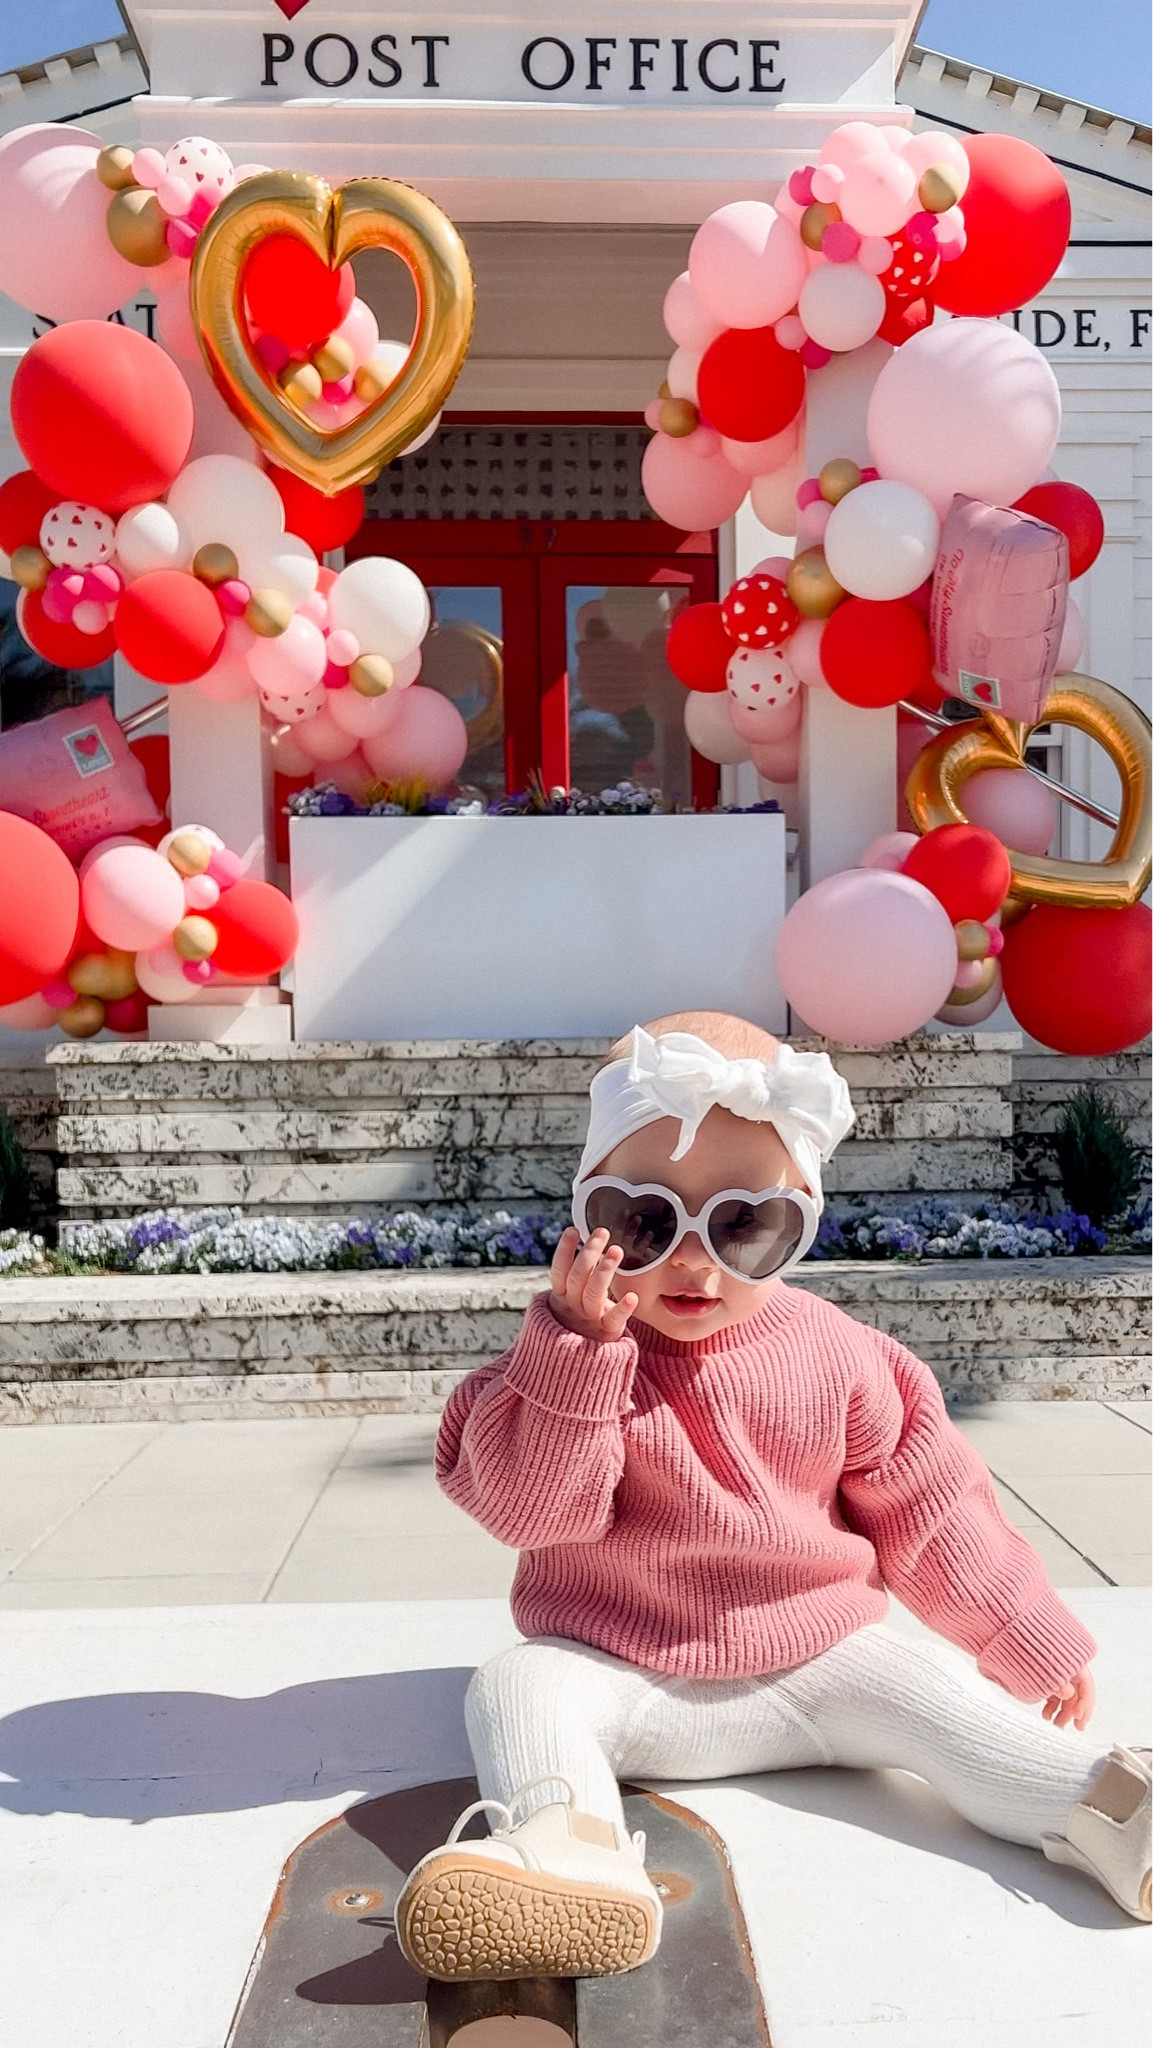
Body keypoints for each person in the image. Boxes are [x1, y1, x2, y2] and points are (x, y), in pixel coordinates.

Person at [395, 1012, 1151, 1980]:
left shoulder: (841, 1354)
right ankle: (566, 1855)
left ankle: (1108, 1809)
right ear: (586, 1217)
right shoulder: (558, 1363)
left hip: (820, 1658)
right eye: (644, 1224)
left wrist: (1019, 1631)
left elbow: (932, 1510)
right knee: (516, 1687)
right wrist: (577, 1354)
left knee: (945, 1706)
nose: (695, 1264)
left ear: (803, 1215)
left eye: (746, 1226)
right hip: (617, 1664)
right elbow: (533, 1512)